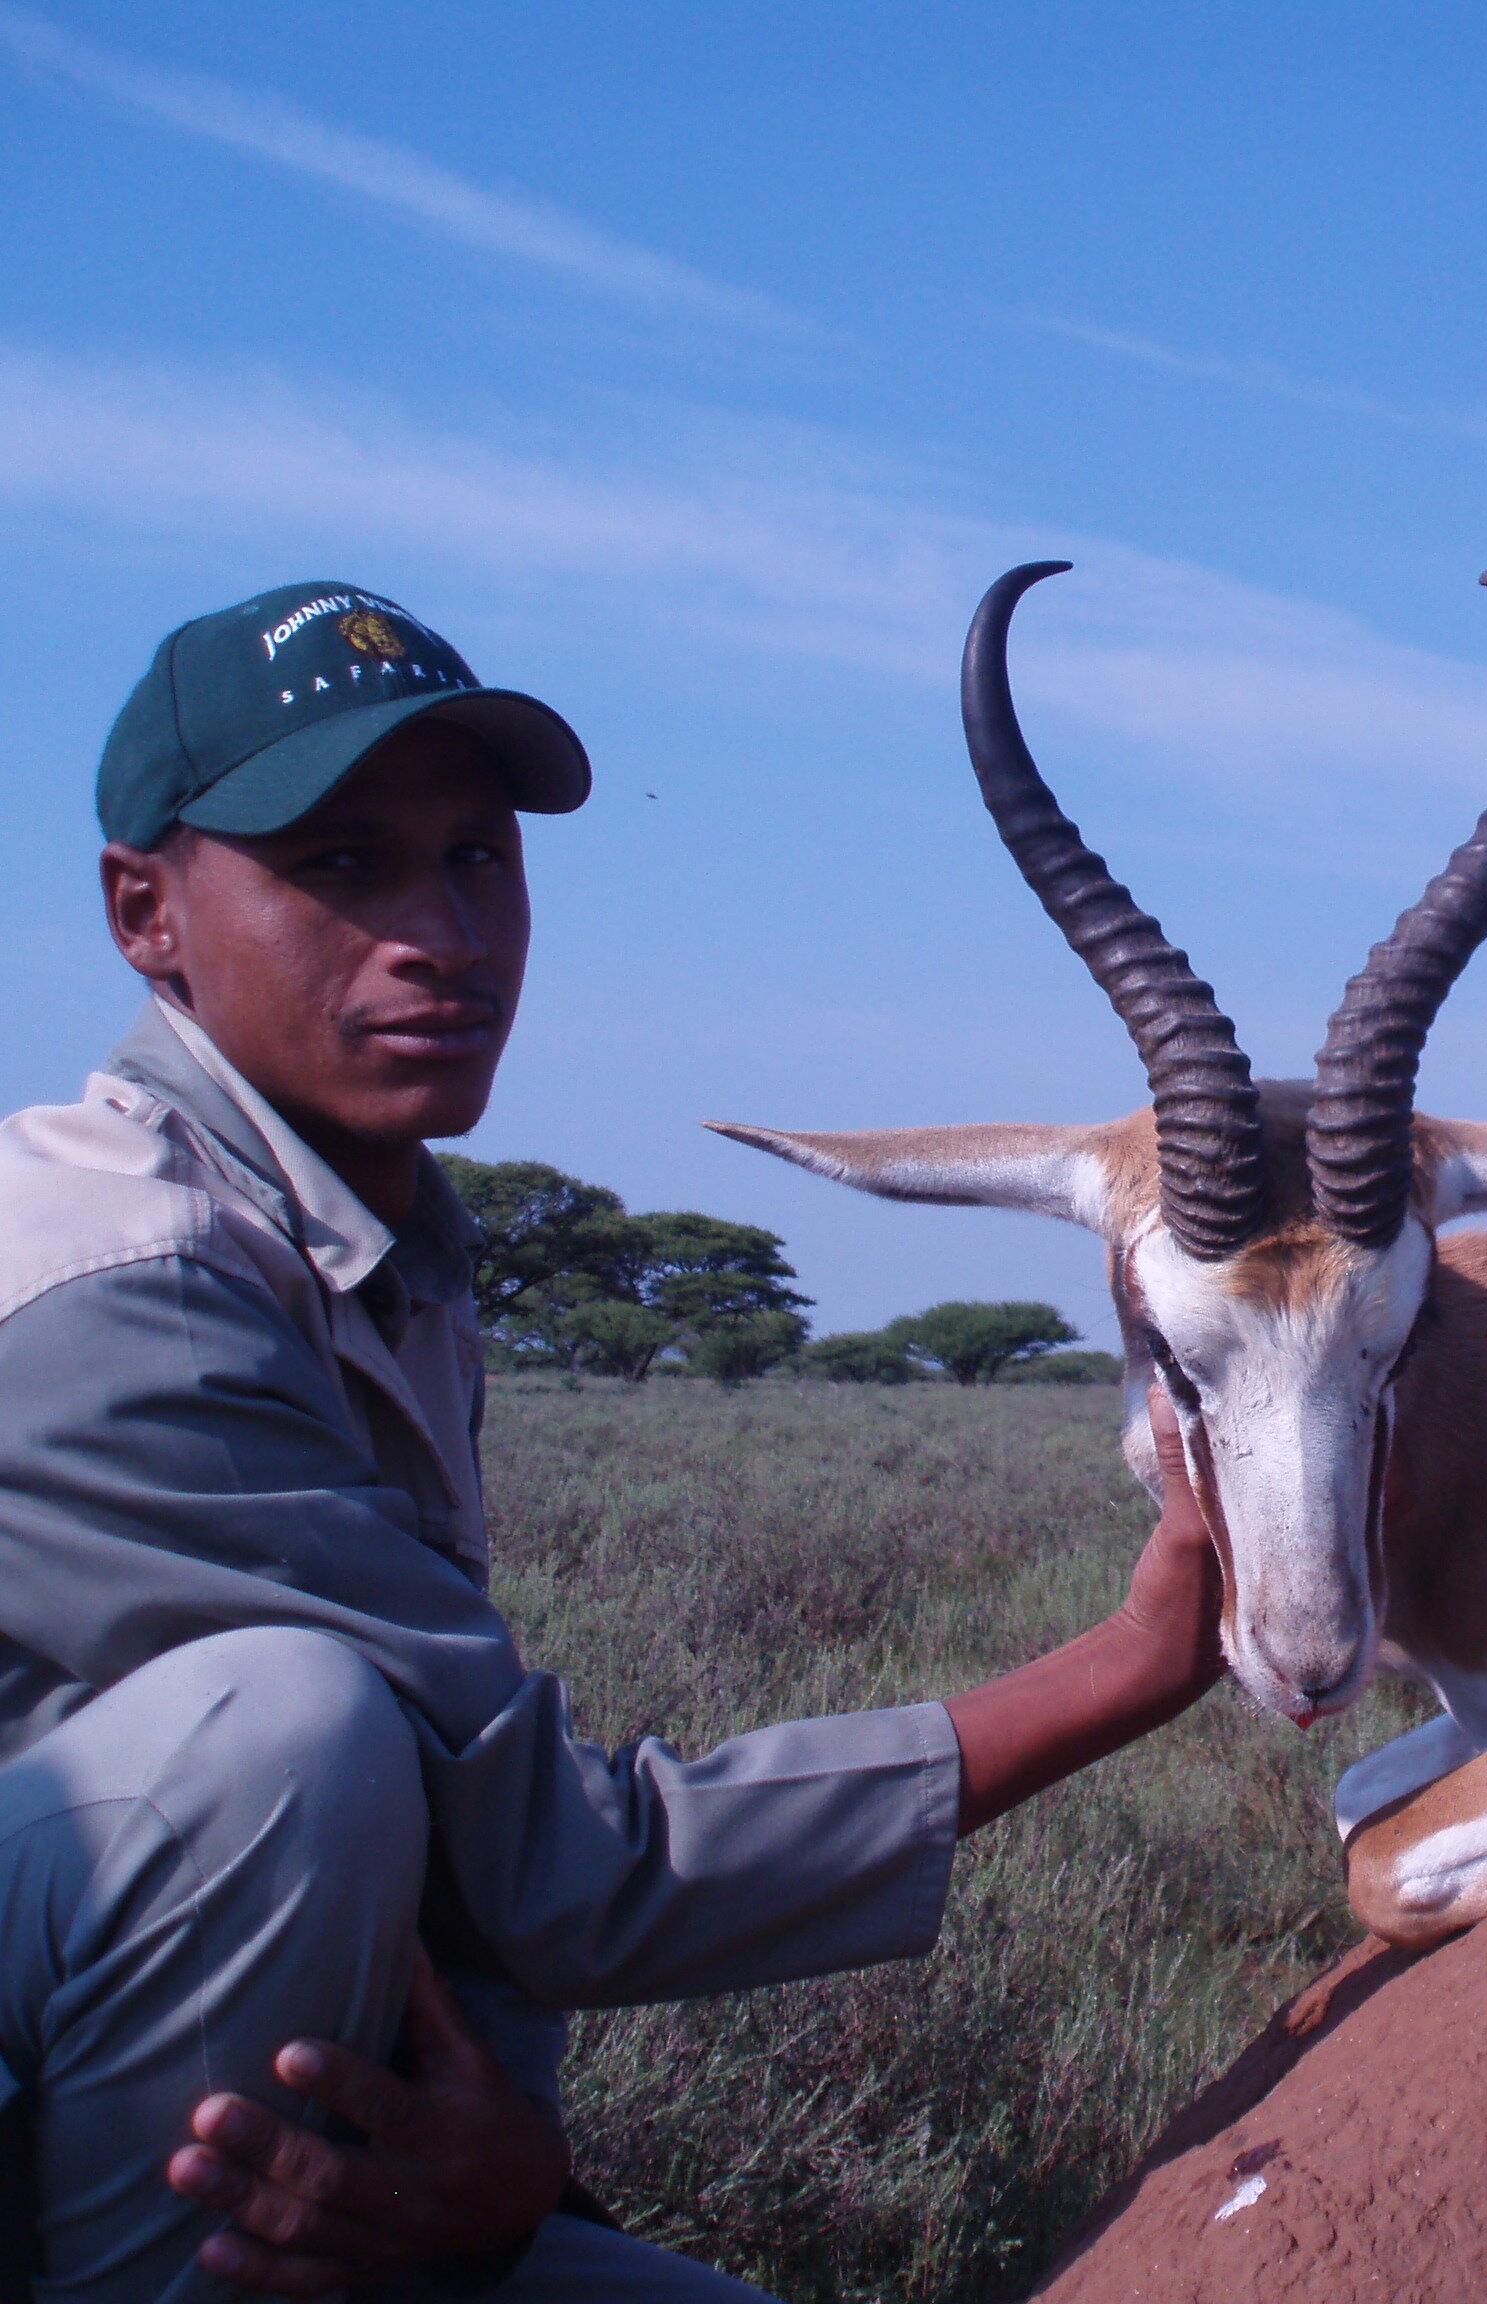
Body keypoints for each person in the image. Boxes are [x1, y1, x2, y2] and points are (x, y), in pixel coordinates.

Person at [0, 584, 1227, 2300]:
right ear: (147, 909)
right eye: (341, 865)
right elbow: (557, 1870)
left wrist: (514, 2171)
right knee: (282, 1731)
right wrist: (1129, 1659)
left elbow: (455, 1854)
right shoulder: (114, 1280)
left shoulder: (380, 1236)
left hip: (236, 2074)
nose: (439, 930)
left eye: (476, 857)